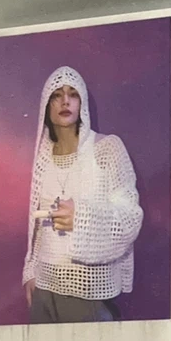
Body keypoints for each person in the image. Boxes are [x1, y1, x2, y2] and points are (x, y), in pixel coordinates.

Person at [22, 66, 144, 324]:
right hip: (43, 290)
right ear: (46, 105)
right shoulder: (43, 157)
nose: (65, 101)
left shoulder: (107, 148)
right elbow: (38, 226)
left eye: (73, 94)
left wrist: (81, 219)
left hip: (87, 292)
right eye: (57, 95)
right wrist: (30, 271)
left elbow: (130, 217)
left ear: (82, 103)